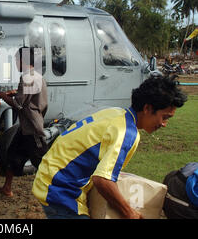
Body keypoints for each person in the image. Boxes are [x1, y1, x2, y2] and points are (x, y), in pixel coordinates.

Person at [32, 74, 187, 219]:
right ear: (147, 108)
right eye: (164, 117)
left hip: (48, 179)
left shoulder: (116, 112)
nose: (164, 124)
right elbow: (102, 180)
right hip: (59, 191)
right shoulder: (126, 132)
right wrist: (130, 212)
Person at [0, 46, 48, 197]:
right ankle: (7, 187)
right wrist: (14, 92)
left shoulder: (27, 78)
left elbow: (18, 103)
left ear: (23, 60)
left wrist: (4, 96)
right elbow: (27, 96)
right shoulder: (36, 76)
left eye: (16, 59)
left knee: (42, 161)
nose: (15, 63)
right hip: (25, 127)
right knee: (13, 154)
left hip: (32, 129)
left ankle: (58, 189)